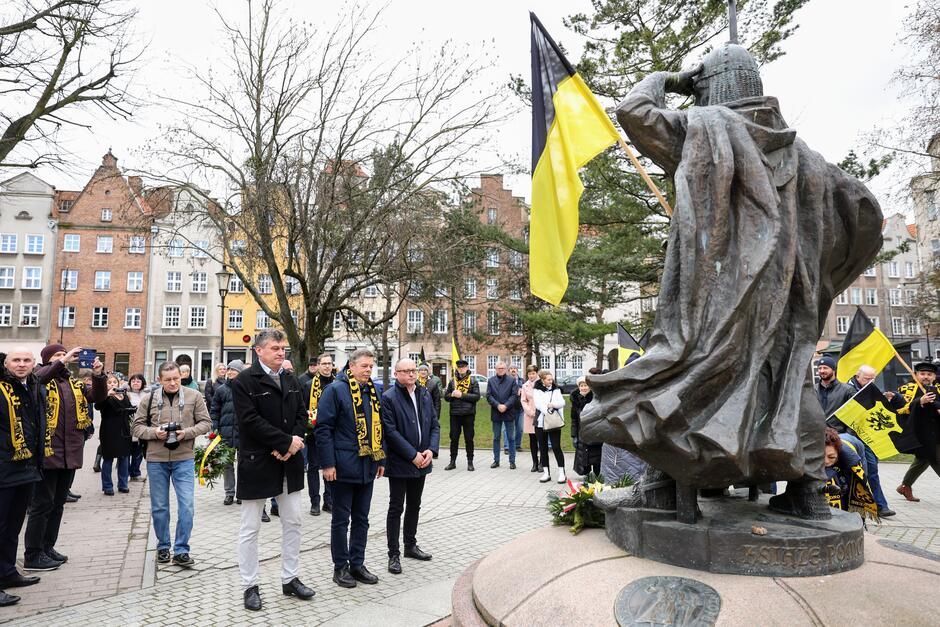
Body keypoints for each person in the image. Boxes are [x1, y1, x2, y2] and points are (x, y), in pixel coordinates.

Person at [583, 39, 883, 520]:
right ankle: (808, 494)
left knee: (640, 400)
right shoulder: (808, 159)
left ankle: (666, 485)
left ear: (710, 87)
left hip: (717, 307)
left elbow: (634, 110)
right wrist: (823, 271)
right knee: (787, 384)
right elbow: (866, 213)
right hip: (789, 302)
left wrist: (671, 81)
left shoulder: (710, 127)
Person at [232, 330, 314, 612]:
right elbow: (249, 420)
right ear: (258, 351)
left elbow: (302, 414)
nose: (281, 352)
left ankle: (290, 578)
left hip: (288, 461)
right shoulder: (244, 381)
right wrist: (284, 441)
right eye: (275, 348)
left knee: (293, 522)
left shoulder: (291, 378)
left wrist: (293, 443)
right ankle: (250, 585)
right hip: (258, 461)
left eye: (283, 348)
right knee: (250, 528)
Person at [23, 344, 106, 572]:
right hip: (48, 453)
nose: (64, 359)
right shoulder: (38, 379)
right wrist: (64, 359)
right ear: (48, 360)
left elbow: (97, 397)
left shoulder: (72, 383)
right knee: (42, 505)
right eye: (58, 356)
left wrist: (98, 375)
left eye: (65, 355)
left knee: (58, 504)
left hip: (69, 453)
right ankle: (33, 553)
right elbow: (39, 378)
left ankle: (47, 547)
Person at [315, 348, 386, 588]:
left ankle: (357, 564)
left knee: (362, 519)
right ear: (351, 366)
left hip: (367, 465)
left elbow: (380, 427)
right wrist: (327, 463)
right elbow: (323, 429)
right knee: (340, 520)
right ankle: (340, 567)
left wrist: (380, 460)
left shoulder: (374, 391)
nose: (368, 370)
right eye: (364, 366)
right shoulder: (334, 390)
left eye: (371, 366)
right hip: (342, 466)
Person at [132, 361, 211, 568]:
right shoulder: (149, 399)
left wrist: (187, 433)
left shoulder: (194, 396)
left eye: (176, 378)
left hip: (184, 458)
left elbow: (206, 423)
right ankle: (163, 547)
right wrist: (154, 433)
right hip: (156, 459)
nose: (173, 383)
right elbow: (136, 427)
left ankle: (182, 549)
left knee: (187, 506)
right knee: (160, 507)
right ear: (160, 380)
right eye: (168, 380)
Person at [381, 359, 439, 575]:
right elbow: (390, 431)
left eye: (414, 371)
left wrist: (431, 450)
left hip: (423, 459)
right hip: (400, 462)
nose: (412, 374)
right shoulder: (389, 397)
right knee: (396, 507)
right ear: (396, 374)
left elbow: (434, 423)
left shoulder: (423, 393)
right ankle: (393, 554)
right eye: (406, 371)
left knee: (415, 504)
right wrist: (412, 455)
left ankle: (410, 545)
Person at [0, 348, 47, 606]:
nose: (21, 364)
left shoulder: (33, 385)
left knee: (13, 528)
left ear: (33, 364)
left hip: (26, 467)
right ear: (6, 364)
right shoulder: (2, 387)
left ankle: (7, 572)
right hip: (4, 468)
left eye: (26, 360)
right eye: (15, 360)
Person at [834, 364, 894, 517]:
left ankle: (880, 506)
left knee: (871, 470)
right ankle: (856, 505)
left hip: (866, 437)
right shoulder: (847, 390)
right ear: (857, 376)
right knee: (855, 471)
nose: (870, 381)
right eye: (867, 378)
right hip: (850, 437)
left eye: (872, 378)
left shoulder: (870, 389)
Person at [892, 361, 940, 503]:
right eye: (922, 374)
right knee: (935, 458)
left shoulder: (938, 388)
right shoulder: (906, 388)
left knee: (922, 459)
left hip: (937, 431)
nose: (926, 377)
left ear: (934, 376)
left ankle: (905, 486)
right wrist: (920, 401)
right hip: (919, 432)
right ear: (916, 375)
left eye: (929, 374)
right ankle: (905, 486)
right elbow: (901, 409)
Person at [300, 353, 335, 516]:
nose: (327, 366)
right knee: (313, 467)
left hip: (334, 433)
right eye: (324, 363)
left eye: (329, 363)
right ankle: (315, 502)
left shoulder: (339, 384)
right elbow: (303, 409)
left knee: (331, 466)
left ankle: (329, 501)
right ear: (318, 366)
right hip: (314, 433)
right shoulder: (309, 385)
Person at [210, 360, 245, 505]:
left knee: (243, 465)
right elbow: (214, 411)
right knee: (227, 464)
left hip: (243, 434)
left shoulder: (246, 389)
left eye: (234, 370)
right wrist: (215, 428)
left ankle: (242, 494)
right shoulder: (221, 390)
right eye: (229, 369)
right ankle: (229, 493)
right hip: (225, 433)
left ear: (240, 372)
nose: (230, 372)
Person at [97, 373, 134, 495]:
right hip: (109, 430)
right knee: (108, 458)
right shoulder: (104, 396)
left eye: (114, 382)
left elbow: (128, 410)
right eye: (109, 382)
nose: (112, 384)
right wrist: (107, 395)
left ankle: (123, 484)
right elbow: (98, 406)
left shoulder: (124, 396)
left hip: (124, 429)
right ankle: (107, 486)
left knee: (124, 458)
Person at [443, 359, 480, 471]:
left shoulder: (473, 381)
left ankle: (470, 462)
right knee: (454, 438)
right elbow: (446, 397)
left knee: (469, 439)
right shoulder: (452, 381)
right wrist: (452, 395)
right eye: (459, 367)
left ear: (467, 368)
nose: (461, 369)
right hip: (455, 414)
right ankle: (452, 462)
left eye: (463, 367)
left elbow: (476, 397)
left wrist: (462, 395)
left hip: (468, 414)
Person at [533, 370, 567, 484]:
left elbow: (562, 402)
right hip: (541, 422)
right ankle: (546, 473)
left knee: (556, 447)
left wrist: (553, 405)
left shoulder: (556, 389)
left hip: (553, 422)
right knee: (542, 448)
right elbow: (538, 404)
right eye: (548, 379)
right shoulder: (536, 390)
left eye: (551, 379)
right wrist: (547, 410)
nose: (550, 381)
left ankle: (562, 472)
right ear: (542, 380)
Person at [486, 361, 519, 469]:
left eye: (503, 368)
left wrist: (505, 405)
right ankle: (496, 460)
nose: (500, 370)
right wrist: (497, 405)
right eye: (499, 368)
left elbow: (514, 396)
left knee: (511, 437)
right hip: (496, 412)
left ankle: (512, 461)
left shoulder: (512, 380)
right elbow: (489, 396)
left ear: (506, 369)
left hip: (508, 412)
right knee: (496, 437)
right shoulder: (491, 381)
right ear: (495, 369)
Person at [571, 377, 601, 477]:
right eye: (581, 385)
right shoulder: (575, 400)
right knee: (584, 457)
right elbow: (574, 419)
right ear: (579, 387)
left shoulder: (595, 398)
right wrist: (574, 435)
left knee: (596, 457)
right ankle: (587, 477)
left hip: (594, 432)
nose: (584, 388)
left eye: (586, 385)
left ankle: (598, 477)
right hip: (581, 433)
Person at [519, 365, 541, 472]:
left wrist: (538, 411)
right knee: (532, 440)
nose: (531, 376)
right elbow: (523, 400)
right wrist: (530, 412)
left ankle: (542, 463)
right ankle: (534, 463)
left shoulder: (541, 383)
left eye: (533, 373)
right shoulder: (525, 385)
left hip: (541, 415)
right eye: (529, 374)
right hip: (530, 416)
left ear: (537, 373)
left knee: (542, 440)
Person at [126, 374, 147, 481]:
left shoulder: (146, 395)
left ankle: (135, 473)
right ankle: (126, 472)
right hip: (129, 427)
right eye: (133, 381)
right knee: (127, 452)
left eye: (138, 381)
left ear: (142, 383)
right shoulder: (126, 395)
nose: (135, 383)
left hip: (142, 427)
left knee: (139, 451)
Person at [504, 366, 524, 454]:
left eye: (515, 369)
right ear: (509, 371)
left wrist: (522, 390)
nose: (513, 370)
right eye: (511, 369)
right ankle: (507, 447)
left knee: (519, 428)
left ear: (517, 371)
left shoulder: (522, 381)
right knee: (507, 428)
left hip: (520, 408)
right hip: (509, 408)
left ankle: (517, 445)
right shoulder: (505, 381)